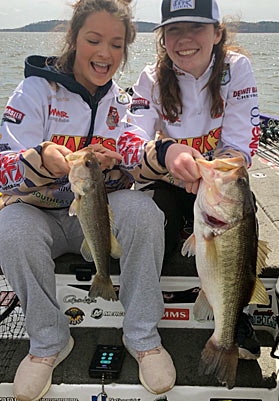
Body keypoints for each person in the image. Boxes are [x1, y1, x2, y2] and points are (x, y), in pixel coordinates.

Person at [0, 0, 176, 399]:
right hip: (38, 212)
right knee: (9, 230)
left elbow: (133, 157)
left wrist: (123, 167)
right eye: (93, 40)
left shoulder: (121, 101)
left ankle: (143, 336)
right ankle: (48, 343)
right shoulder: (34, 89)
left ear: (127, 49)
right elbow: (2, 164)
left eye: (116, 44)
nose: (105, 54)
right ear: (73, 39)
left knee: (146, 213)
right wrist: (37, 159)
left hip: (94, 213)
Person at [119, 0, 261, 360]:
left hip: (217, 183)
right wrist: (166, 153)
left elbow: (241, 139)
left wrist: (221, 167)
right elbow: (131, 138)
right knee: (157, 223)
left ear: (217, 33)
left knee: (244, 223)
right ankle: (153, 308)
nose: (185, 40)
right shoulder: (150, 79)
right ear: (163, 39)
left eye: (196, 28)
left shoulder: (236, 68)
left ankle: (235, 316)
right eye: (174, 30)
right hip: (168, 179)